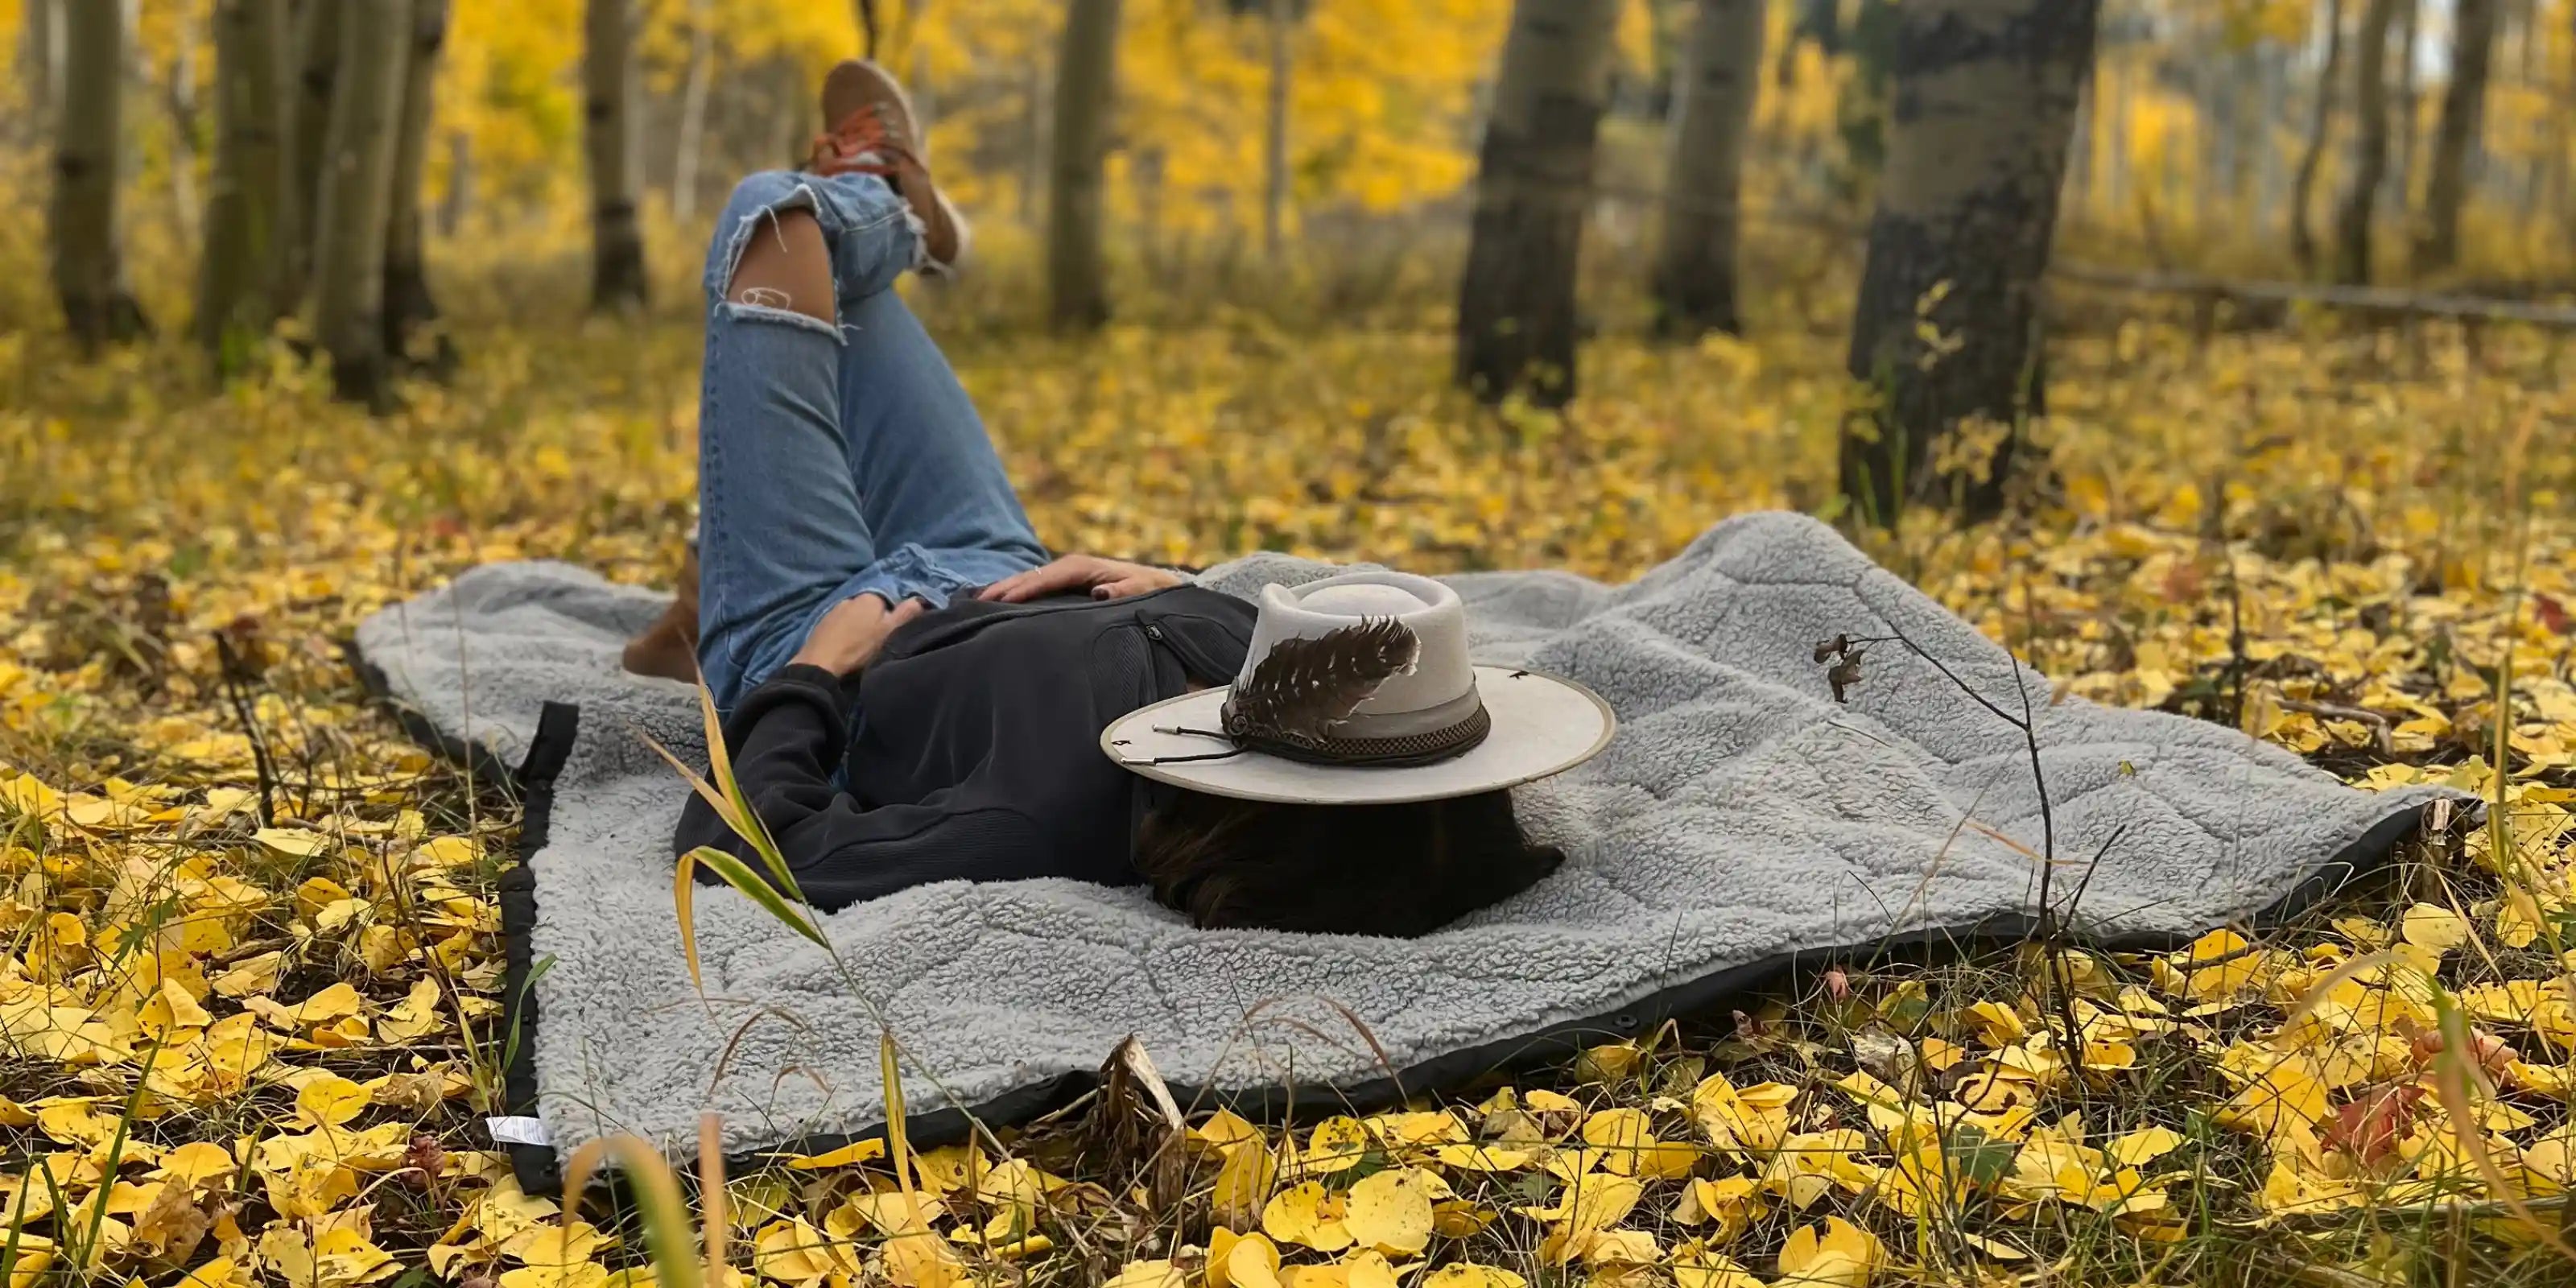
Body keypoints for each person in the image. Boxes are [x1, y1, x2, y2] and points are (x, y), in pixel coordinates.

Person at [639, 62, 1608, 936]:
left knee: (774, 218)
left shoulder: (1029, 820)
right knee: (835, 289)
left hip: (826, 632)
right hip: (992, 559)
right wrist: (1163, 583)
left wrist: (811, 673)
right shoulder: (1323, 696)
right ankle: (722, 530)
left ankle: (879, 204)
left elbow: (747, 851)